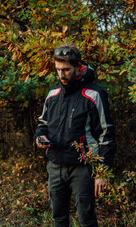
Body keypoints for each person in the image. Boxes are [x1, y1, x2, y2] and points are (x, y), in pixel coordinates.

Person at [34, 43, 116, 227]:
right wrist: (40, 138)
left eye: (66, 70)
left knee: (86, 219)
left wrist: (102, 172)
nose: (61, 75)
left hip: (83, 168)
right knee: (59, 218)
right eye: (57, 70)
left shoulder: (94, 94)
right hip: (55, 166)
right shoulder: (52, 95)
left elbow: (107, 134)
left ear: (78, 67)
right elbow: (42, 125)